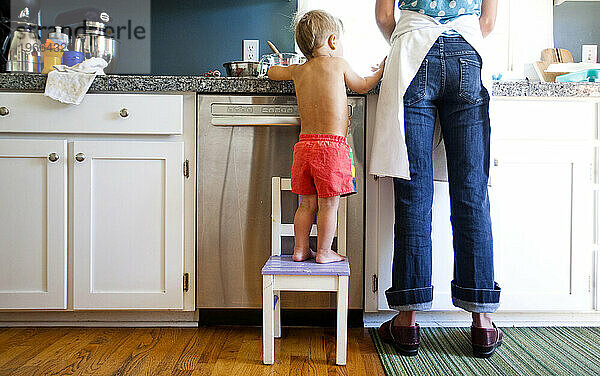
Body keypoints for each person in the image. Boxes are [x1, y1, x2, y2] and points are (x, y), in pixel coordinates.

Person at [371, 0, 502, 358]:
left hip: (413, 54)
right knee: (471, 192)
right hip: (467, 52)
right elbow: (487, 21)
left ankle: (407, 321)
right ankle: (483, 323)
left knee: (414, 193)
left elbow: (385, 16)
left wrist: (414, 35)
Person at [268, 10, 385, 264]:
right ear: (333, 41)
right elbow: (363, 85)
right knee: (329, 205)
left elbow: (273, 73)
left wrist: (286, 67)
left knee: (306, 204)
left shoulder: (299, 71)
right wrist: (381, 71)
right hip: (332, 149)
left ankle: (299, 250)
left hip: (304, 147)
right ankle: (323, 251)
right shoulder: (339, 64)